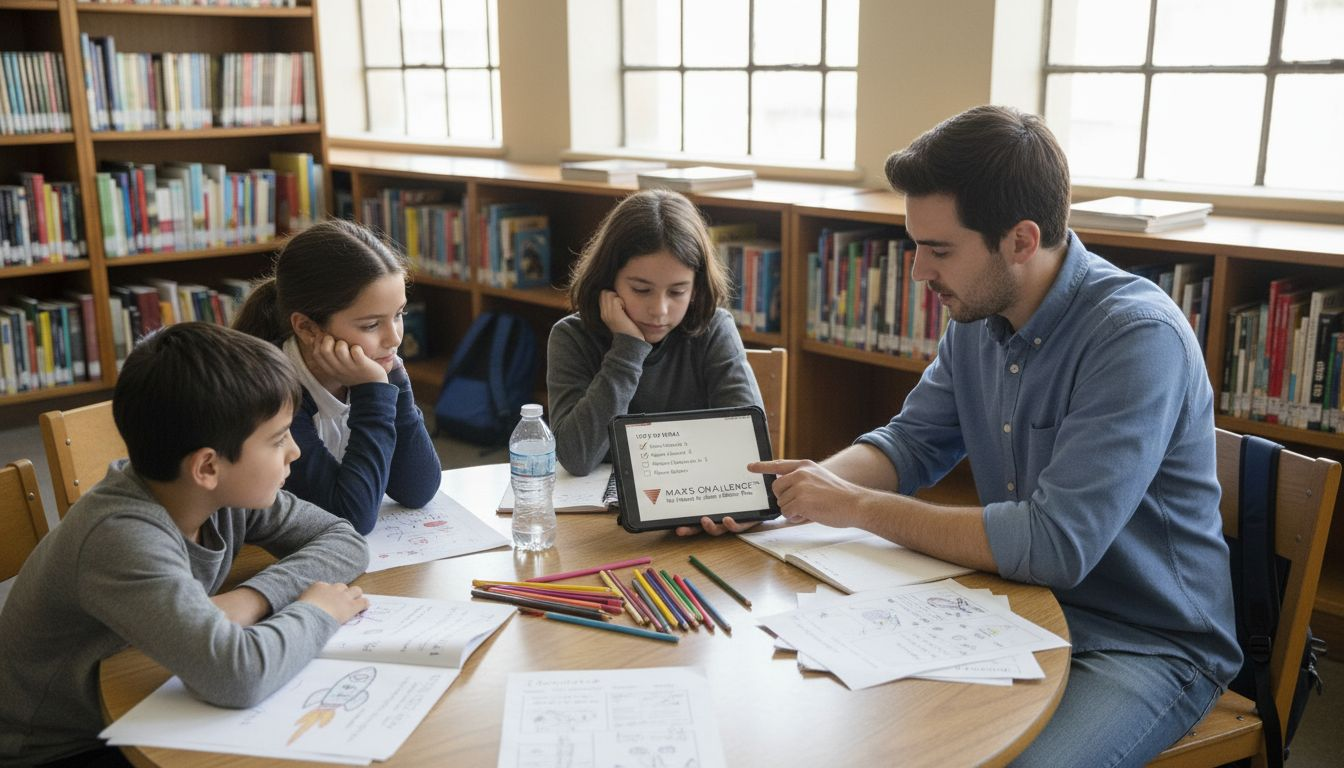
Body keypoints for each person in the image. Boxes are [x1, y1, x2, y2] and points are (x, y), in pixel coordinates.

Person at [748, 105, 1240, 767]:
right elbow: (912, 444)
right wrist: (792, 496)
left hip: (1142, 642)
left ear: (1020, 240)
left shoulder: (1135, 337)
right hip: (1014, 609)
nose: (919, 272)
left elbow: (1053, 545)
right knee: (853, 729)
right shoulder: (979, 314)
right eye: (915, 245)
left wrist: (856, 509)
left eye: (939, 250)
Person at [0, 323, 370, 767]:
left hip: (146, 692)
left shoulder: (222, 494)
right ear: (207, 466)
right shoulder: (122, 538)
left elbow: (343, 539)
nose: (295, 452)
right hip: (65, 746)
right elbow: (237, 675)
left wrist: (253, 597)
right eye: (277, 439)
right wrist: (318, 612)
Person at [234, 218, 441, 535]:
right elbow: (350, 517)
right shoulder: (269, 390)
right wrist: (373, 393)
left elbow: (418, 489)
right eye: (371, 325)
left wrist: (393, 383)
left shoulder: (377, 362)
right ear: (306, 327)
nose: (394, 338)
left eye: (399, 315)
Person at [547, 189, 764, 481]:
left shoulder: (715, 329)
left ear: (696, 288)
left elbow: (746, 443)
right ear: (608, 280)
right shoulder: (570, 337)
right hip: (600, 512)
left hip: (694, 496)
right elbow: (576, 457)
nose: (660, 310)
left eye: (677, 292)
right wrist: (627, 349)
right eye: (641, 290)